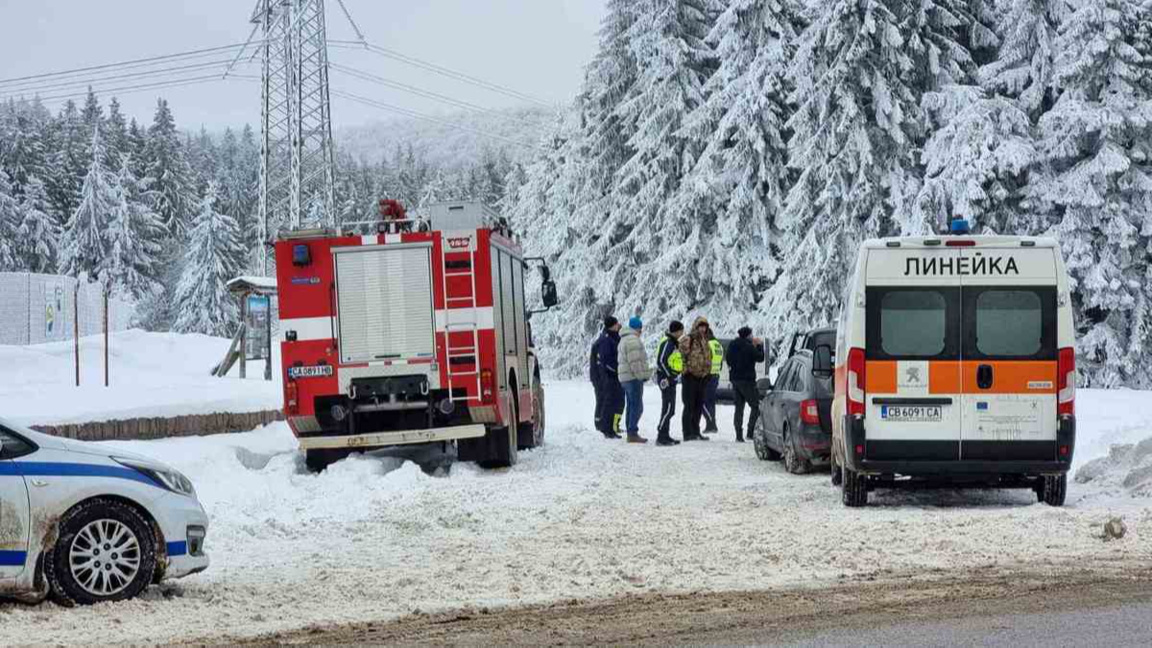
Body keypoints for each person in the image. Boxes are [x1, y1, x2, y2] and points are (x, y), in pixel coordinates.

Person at [726, 326, 766, 443]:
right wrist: (759, 345)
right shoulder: (749, 347)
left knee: (739, 407)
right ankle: (750, 432)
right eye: (751, 335)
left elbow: (728, 359)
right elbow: (760, 357)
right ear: (748, 335)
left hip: (735, 379)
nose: (753, 336)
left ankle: (738, 435)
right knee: (755, 405)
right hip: (747, 381)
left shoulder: (732, 345)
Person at [678, 317, 713, 441]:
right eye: (701, 326)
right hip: (689, 377)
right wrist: (685, 370)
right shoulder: (688, 339)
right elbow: (679, 356)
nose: (703, 329)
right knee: (689, 405)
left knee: (698, 405)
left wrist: (707, 372)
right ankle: (687, 432)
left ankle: (695, 430)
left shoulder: (705, 340)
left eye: (704, 327)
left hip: (702, 378)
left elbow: (708, 357)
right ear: (696, 327)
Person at [617, 316, 650, 444]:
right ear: (637, 328)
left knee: (631, 405)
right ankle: (632, 432)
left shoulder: (624, 339)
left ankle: (631, 431)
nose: (641, 331)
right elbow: (635, 362)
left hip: (625, 378)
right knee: (637, 406)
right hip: (632, 378)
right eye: (640, 328)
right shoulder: (632, 340)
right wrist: (641, 376)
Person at [654, 320, 685, 446]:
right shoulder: (668, 342)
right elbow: (661, 361)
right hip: (666, 379)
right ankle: (661, 435)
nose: (682, 333)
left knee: (670, 408)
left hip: (671, 379)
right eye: (681, 330)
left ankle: (665, 434)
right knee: (668, 409)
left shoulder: (673, 342)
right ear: (677, 331)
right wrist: (670, 375)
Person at [595, 316, 624, 439]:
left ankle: (611, 427)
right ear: (613, 325)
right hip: (609, 376)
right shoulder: (606, 340)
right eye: (617, 324)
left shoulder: (613, 337)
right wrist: (616, 370)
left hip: (614, 376)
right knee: (609, 403)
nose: (619, 325)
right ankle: (607, 429)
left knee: (616, 402)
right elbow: (606, 360)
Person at [703, 333, 724, 433]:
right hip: (715, 376)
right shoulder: (718, 345)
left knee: (702, 401)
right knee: (711, 402)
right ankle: (712, 425)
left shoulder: (708, 345)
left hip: (708, 376)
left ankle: (711, 423)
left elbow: (705, 361)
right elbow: (720, 364)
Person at [590, 324, 605, 434]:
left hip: (597, 376)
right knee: (601, 399)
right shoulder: (601, 343)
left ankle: (600, 421)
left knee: (601, 399)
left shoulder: (598, 342)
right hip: (598, 377)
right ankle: (599, 422)